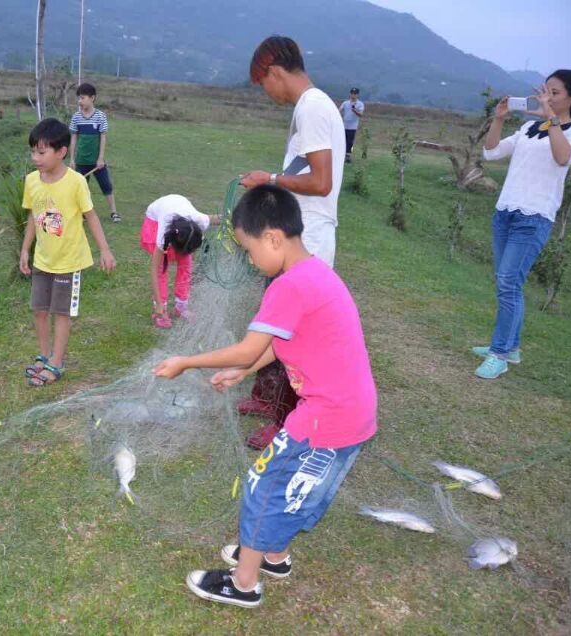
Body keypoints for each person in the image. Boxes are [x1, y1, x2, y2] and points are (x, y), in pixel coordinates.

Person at [154, 185, 377, 608]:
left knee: (265, 485)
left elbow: (247, 346)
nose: (251, 261)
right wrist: (246, 370)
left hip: (326, 417)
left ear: (273, 238)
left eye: (250, 250)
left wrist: (186, 361)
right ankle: (273, 556)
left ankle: (243, 583)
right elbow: (278, 341)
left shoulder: (289, 286)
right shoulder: (315, 273)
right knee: (289, 488)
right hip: (349, 413)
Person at [238, 35, 347, 449]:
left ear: (275, 72)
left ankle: (287, 420)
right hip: (293, 236)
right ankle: (267, 396)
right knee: (274, 316)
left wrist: (268, 179)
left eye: (263, 83)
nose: (268, 93)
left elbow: (321, 182)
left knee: (293, 334)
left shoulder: (313, 106)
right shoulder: (311, 107)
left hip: (309, 241)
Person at [473, 70, 571, 380]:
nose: (546, 97)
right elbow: (491, 153)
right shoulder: (528, 127)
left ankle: (500, 354)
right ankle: (510, 348)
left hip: (534, 217)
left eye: (555, 92)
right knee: (508, 283)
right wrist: (499, 119)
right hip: (505, 212)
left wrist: (550, 117)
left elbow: (563, 157)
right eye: (544, 90)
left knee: (508, 283)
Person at [20, 118, 117, 386]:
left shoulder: (75, 182)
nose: (35, 158)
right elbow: (33, 218)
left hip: (69, 261)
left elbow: (91, 216)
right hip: (43, 260)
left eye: (42, 152)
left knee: (61, 313)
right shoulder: (32, 181)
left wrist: (105, 250)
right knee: (39, 310)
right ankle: (43, 356)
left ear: (61, 151)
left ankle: (57, 362)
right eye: (33, 152)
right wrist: (25, 250)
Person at [139, 195, 220, 328]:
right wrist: (158, 303)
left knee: (186, 264)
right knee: (162, 268)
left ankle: (181, 306)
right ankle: (162, 309)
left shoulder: (200, 221)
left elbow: (217, 218)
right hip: (155, 220)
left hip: (179, 211)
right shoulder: (163, 232)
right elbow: (154, 268)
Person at [69, 83, 121, 222]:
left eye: (82, 98)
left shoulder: (100, 116)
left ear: (92, 98)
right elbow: (73, 138)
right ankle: (82, 213)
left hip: (97, 162)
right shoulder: (76, 117)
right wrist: (72, 159)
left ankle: (114, 212)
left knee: (106, 185)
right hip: (80, 161)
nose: (80, 101)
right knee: (81, 189)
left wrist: (101, 158)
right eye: (79, 98)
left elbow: (103, 137)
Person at [339, 87, 365, 162]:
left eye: (355, 94)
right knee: (342, 140)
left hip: (353, 126)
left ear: (358, 95)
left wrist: (355, 111)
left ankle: (348, 155)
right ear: (350, 94)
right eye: (352, 93)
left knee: (350, 141)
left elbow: (361, 114)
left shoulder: (360, 104)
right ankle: (341, 154)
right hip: (344, 125)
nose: (353, 95)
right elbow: (339, 110)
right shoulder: (345, 103)